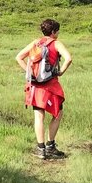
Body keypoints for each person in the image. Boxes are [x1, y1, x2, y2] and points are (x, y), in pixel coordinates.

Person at [15, 18, 72, 159]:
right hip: (51, 85)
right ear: (53, 32)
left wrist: (30, 73)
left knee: (38, 116)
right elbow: (68, 58)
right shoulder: (56, 43)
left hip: (35, 86)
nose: (58, 34)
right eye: (57, 31)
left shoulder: (35, 42)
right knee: (57, 114)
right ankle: (50, 146)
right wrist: (61, 72)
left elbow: (19, 57)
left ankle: (41, 150)